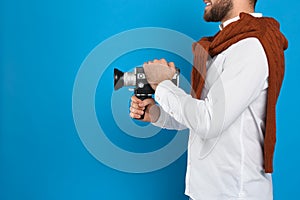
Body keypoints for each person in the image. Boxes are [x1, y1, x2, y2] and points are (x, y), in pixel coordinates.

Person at [130, 0, 288, 199]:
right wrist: (156, 114)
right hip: (207, 191)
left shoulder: (251, 47)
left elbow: (210, 122)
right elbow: (199, 115)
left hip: (235, 193)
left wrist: (162, 84)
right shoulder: (223, 46)